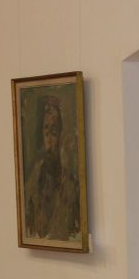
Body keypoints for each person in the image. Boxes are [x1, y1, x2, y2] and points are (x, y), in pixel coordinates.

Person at [24, 95, 80, 241]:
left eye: (54, 133)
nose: (49, 140)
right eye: (46, 132)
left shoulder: (70, 185)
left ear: (60, 135)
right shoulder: (33, 182)